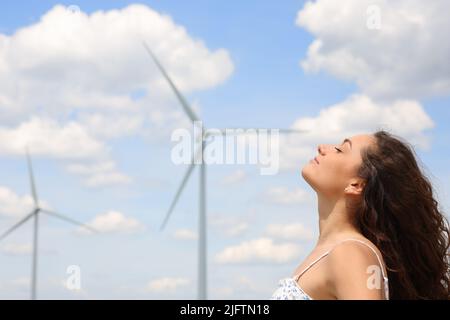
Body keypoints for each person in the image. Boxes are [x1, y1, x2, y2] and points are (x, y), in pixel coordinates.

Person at [271, 130, 450, 300]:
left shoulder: (351, 252)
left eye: (340, 150)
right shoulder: (335, 251)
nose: (322, 147)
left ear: (356, 185)